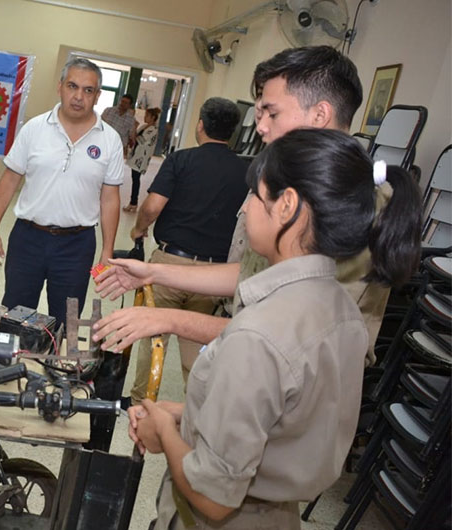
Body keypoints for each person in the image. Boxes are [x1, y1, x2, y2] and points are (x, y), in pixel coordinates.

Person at [125, 129, 421, 529]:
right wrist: (185, 412)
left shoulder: (259, 334)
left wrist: (162, 428)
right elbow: (285, 420)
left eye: (255, 197)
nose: (245, 209)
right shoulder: (341, 310)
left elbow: (212, 497)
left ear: (287, 207)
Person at [93, 46, 391, 368]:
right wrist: (153, 272)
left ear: (319, 115)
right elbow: (250, 274)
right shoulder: (287, 183)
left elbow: (292, 335)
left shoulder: (352, 203)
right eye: (260, 114)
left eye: (272, 113)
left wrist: (169, 320)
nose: (261, 127)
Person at [0, 57, 122, 327]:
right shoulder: (34, 128)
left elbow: (110, 198)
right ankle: (7, 368)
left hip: (77, 245)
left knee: (67, 320)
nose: (78, 96)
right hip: (27, 239)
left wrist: (107, 250)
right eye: (72, 86)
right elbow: (10, 179)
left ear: (97, 96)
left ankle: (59, 369)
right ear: (60, 87)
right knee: (15, 316)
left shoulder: (110, 139)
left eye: (88, 90)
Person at [125, 98, 248, 405]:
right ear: (232, 133)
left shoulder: (182, 160)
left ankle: (142, 403)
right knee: (197, 347)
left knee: (154, 339)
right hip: (214, 276)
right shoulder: (246, 171)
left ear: (201, 125)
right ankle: (195, 411)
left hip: (169, 265)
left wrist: (138, 229)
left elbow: (152, 207)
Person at [122, 107, 160, 212]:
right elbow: (133, 137)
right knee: (134, 178)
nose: (145, 117)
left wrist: (135, 128)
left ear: (153, 117)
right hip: (135, 156)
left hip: (141, 158)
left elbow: (139, 140)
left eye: (147, 115)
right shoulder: (144, 126)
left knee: (136, 179)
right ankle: (133, 202)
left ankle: (133, 203)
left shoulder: (153, 130)